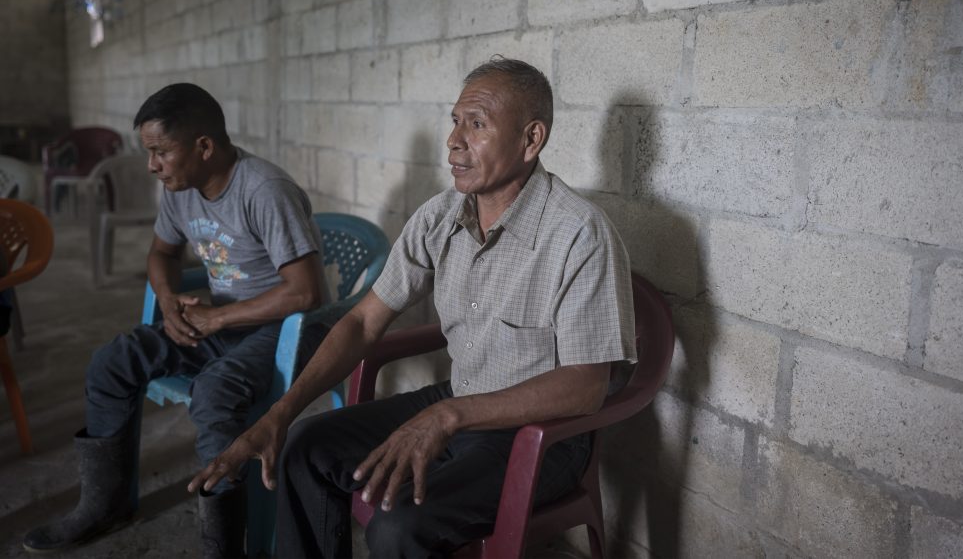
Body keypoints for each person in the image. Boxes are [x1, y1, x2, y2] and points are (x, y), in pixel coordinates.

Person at [189, 58, 636, 557]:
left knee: (398, 524)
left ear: (531, 140)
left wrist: (448, 416)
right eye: (455, 121)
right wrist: (279, 412)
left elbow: (586, 385)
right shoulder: (441, 216)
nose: (454, 140)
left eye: (478, 124)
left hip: (540, 434)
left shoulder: (578, 233)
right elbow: (362, 321)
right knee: (305, 448)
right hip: (460, 401)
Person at [24, 83, 327, 558]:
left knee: (214, 393)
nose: (152, 165)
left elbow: (308, 291)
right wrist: (167, 299)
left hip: (280, 329)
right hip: (220, 322)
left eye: (161, 152)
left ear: (204, 147)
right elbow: (162, 253)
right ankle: (106, 505)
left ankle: (222, 546)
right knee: (113, 362)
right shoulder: (180, 189)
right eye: (150, 153)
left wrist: (219, 318)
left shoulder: (265, 190)